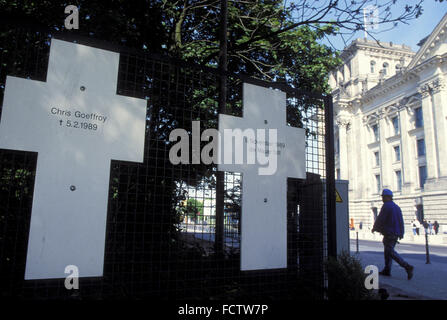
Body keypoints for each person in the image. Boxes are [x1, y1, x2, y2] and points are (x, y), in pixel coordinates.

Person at [372, 189, 414, 279]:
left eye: (383, 197)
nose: (382, 199)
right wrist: (401, 233)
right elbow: (401, 221)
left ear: (388, 197)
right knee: (387, 251)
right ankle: (387, 270)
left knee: (389, 251)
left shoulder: (386, 206)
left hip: (389, 232)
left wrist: (375, 227)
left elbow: (380, 218)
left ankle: (407, 266)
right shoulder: (396, 207)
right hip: (395, 233)